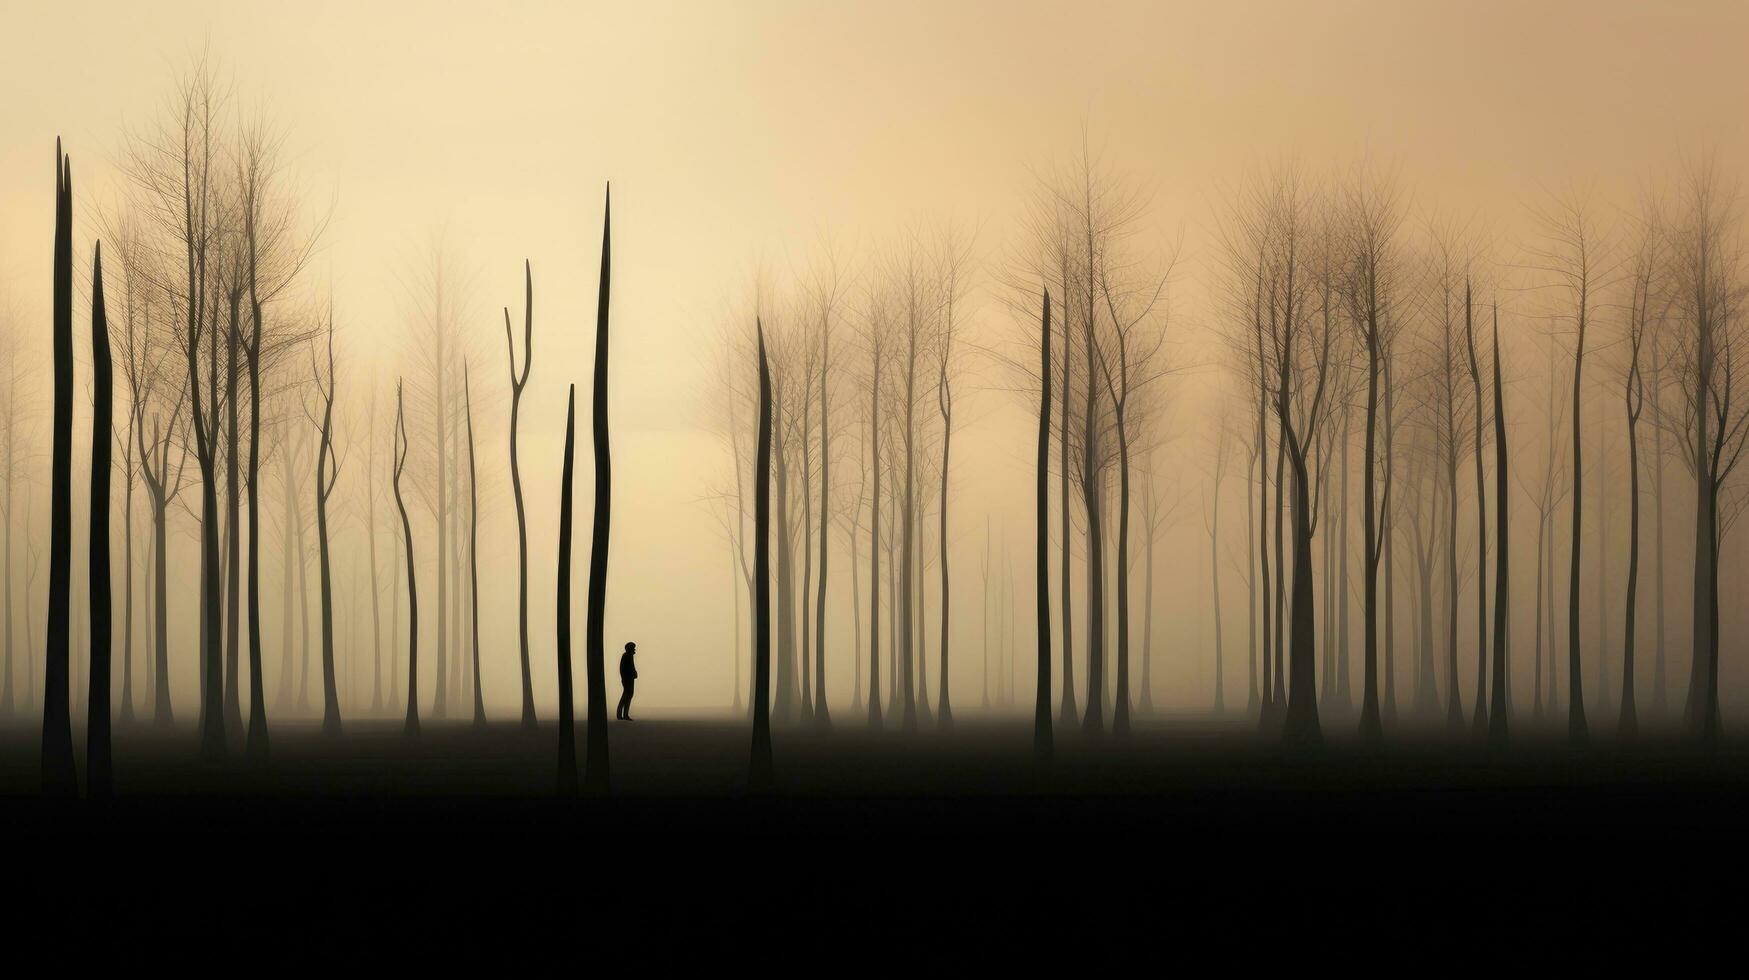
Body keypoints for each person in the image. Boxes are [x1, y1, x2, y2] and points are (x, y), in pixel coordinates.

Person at [617, 641, 638, 720]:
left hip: (629, 679)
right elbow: (625, 668)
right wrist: (631, 674)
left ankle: (624, 715)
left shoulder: (628, 656)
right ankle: (621, 715)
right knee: (626, 695)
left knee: (628, 696)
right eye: (633, 648)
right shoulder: (627, 656)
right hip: (627, 679)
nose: (634, 650)